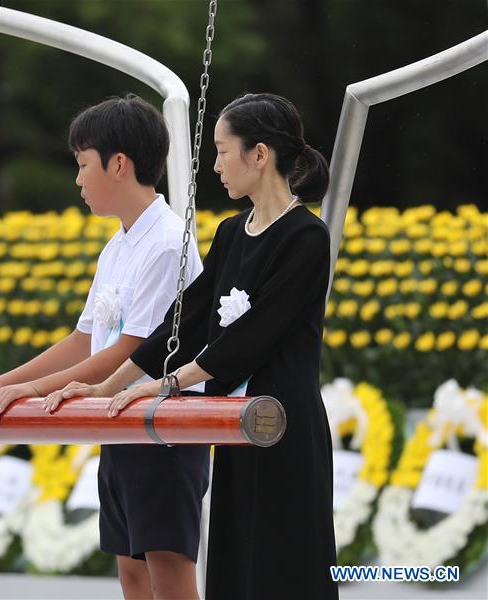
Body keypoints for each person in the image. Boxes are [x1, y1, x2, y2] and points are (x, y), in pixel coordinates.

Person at [50, 92, 339, 599]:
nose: (216, 165)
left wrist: (166, 383)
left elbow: (253, 338)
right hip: (234, 424)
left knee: (286, 562)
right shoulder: (230, 233)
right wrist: (113, 384)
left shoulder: (307, 237)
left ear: (259, 155)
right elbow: (182, 322)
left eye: (224, 151)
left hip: (282, 422)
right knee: (234, 560)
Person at [0, 94, 209, 599]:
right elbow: (85, 339)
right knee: (133, 575)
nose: (78, 179)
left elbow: (134, 350)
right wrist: (0, 384)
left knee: (170, 577)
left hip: (163, 429)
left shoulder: (166, 243)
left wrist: (38, 389)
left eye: (82, 164)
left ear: (118, 164)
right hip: (118, 424)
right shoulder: (118, 245)